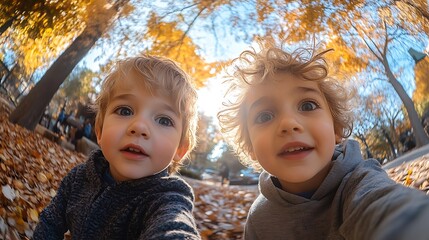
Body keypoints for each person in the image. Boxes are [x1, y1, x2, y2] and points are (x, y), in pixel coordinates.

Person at [217, 40, 429, 240]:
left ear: (336, 129)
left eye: (307, 106)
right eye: (264, 116)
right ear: (250, 147)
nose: (288, 123)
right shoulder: (258, 220)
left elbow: (391, 208)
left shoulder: (361, 183)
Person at [33, 55, 201, 239]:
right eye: (125, 111)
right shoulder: (78, 179)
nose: (139, 127)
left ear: (180, 149)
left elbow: (174, 225)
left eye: (164, 120)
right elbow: (50, 222)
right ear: (99, 130)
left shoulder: (165, 199)